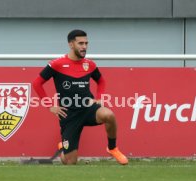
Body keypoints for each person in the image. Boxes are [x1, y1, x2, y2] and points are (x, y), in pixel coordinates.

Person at [33, 29, 128, 165]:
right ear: (71, 44)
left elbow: (101, 81)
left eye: (86, 43)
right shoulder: (57, 64)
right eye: (80, 43)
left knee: (109, 115)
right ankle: (63, 149)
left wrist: (99, 98)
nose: (84, 47)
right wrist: (50, 106)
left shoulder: (89, 64)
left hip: (88, 109)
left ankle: (112, 148)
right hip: (69, 115)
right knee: (71, 162)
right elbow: (37, 83)